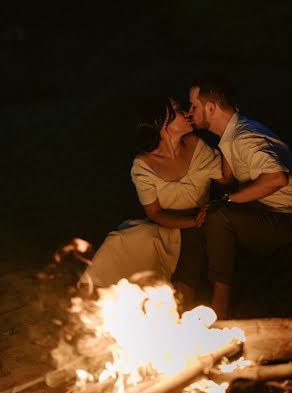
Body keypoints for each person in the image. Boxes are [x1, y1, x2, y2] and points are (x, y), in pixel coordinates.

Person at [188, 79, 292, 319]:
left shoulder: (245, 136)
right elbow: (226, 177)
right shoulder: (230, 136)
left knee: (219, 217)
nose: (189, 113)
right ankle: (188, 296)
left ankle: (220, 309)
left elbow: (276, 178)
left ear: (211, 108)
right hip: (272, 216)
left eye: (193, 106)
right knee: (203, 218)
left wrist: (228, 200)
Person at [87, 96, 228, 309]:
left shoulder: (196, 145)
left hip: (203, 220)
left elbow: (226, 179)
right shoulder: (143, 165)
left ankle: (190, 310)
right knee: (119, 241)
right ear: (162, 124)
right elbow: (154, 213)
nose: (188, 113)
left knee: (192, 244)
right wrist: (191, 222)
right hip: (168, 224)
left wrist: (226, 136)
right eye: (179, 110)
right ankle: (92, 298)